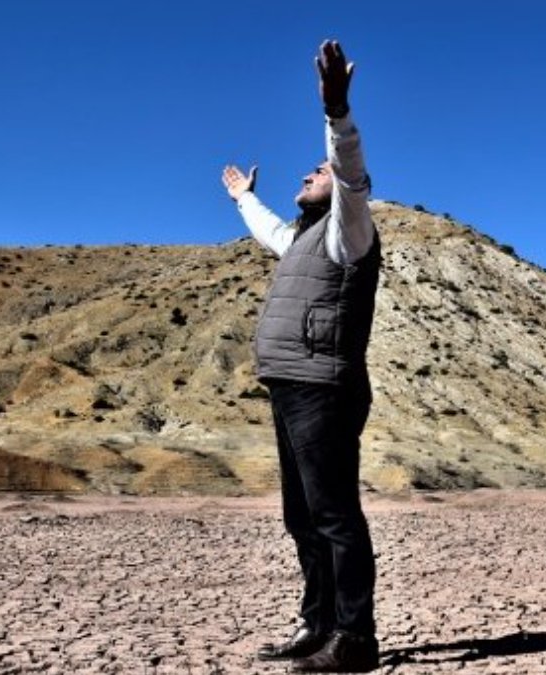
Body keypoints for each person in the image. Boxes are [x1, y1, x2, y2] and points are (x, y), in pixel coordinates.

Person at [221, 39, 380, 673]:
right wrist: (241, 199)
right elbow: (268, 230)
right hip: (290, 385)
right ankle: (317, 627)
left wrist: (337, 112)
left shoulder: (350, 232)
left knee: (335, 514)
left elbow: (348, 173)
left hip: (325, 386)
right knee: (301, 516)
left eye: (314, 172)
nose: (305, 175)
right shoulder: (301, 242)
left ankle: (355, 637)